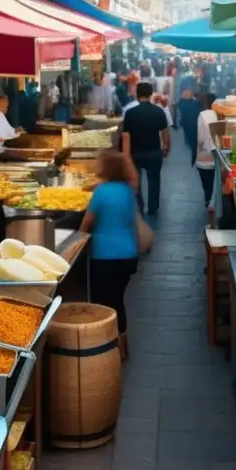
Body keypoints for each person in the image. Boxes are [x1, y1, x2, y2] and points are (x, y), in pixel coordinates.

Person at [80, 150, 139, 359]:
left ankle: (105, 349)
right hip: (128, 254)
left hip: (104, 256)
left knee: (102, 303)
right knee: (118, 299)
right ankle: (124, 345)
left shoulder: (101, 192)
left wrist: (77, 239)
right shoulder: (128, 191)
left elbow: (86, 225)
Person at [122, 82, 170, 215]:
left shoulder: (130, 113)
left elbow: (126, 135)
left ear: (137, 94)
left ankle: (139, 206)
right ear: (150, 95)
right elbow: (165, 132)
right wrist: (166, 148)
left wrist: (125, 156)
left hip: (135, 153)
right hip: (154, 152)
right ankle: (153, 208)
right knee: (154, 180)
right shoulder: (158, 111)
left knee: (136, 180)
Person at [195, 93, 218, 207]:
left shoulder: (203, 115)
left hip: (205, 158)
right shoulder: (220, 114)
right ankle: (213, 207)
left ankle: (209, 207)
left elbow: (201, 138)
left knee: (207, 187)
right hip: (218, 158)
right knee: (215, 187)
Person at [177, 89, 203, 165]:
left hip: (187, 124)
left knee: (191, 141)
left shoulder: (181, 103)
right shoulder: (196, 103)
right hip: (195, 124)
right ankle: (195, 156)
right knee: (195, 141)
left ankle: (194, 155)